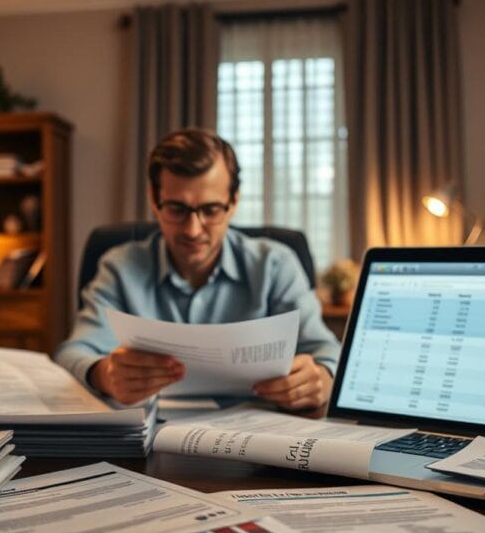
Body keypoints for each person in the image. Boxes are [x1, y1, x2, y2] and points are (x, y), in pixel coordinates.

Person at [54, 128, 340, 410]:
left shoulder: (275, 265)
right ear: (154, 200)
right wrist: (104, 374)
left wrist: (322, 377)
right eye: (177, 209)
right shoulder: (120, 267)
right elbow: (73, 352)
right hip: (149, 427)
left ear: (233, 202)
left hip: (254, 428)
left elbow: (326, 349)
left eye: (211, 210)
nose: (192, 230)